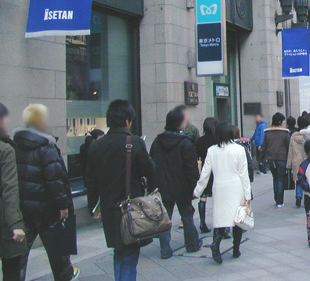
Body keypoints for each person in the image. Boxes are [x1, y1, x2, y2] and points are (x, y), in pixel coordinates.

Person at [86, 100, 155, 281]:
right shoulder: (134, 142)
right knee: (129, 254)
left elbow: (90, 181)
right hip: (130, 208)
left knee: (120, 251)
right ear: (127, 121)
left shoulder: (96, 145)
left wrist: (93, 207)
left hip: (109, 208)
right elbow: (149, 171)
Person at [13, 104, 79, 281]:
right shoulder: (46, 146)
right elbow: (55, 179)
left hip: (23, 208)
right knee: (58, 253)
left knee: (19, 255)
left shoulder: (15, 145)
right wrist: (63, 206)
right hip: (48, 210)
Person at [193, 122, 252, 263]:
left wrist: (197, 191)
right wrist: (247, 194)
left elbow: (205, 173)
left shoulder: (212, 150)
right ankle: (236, 248)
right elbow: (244, 174)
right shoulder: (239, 149)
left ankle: (216, 244)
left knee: (220, 219)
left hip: (219, 187)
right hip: (236, 187)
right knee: (237, 219)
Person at [149, 108, 200, 259]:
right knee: (187, 216)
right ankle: (192, 244)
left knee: (164, 219)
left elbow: (152, 164)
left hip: (163, 186)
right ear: (179, 123)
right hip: (182, 187)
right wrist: (195, 186)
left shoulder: (157, 142)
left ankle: (165, 249)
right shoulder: (185, 143)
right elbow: (191, 168)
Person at [0, 103, 26, 281]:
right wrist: (16, 224)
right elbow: (9, 189)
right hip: (4, 221)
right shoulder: (5, 149)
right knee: (11, 269)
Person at [195, 117, 219, 234]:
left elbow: (197, 156)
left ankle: (202, 222)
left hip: (205, 171)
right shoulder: (218, 140)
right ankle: (220, 224)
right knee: (218, 198)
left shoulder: (200, 141)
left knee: (203, 197)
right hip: (217, 171)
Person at [262, 112, 290, 207]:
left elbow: (264, 147)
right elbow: (288, 147)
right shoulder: (285, 133)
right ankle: (280, 201)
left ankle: (277, 199)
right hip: (282, 158)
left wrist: (261, 159)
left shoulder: (267, 133)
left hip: (271, 159)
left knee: (275, 178)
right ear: (280, 122)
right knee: (280, 179)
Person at [287, 115, 308, 208]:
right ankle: (307, 197)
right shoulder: (308, 135)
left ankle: (298, 196)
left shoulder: (293, 136)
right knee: (307, 179)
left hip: (296, 161)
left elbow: (290, 151)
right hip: (306, 160)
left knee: (298, 180)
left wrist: (289, 164)